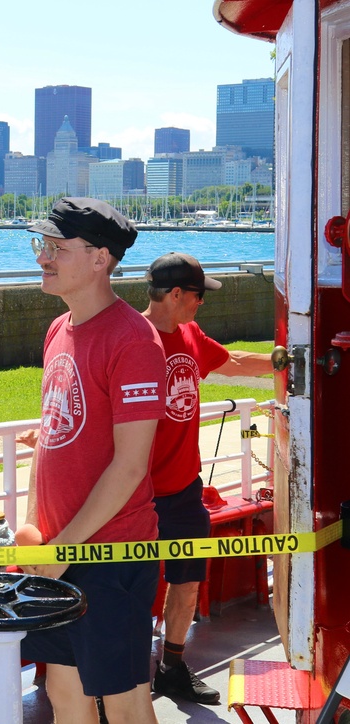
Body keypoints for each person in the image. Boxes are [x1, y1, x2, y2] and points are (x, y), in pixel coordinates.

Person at [19, 197, 165, 724]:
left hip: (109, 556)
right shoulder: (59, 331)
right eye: (43, 246)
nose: (43, 258)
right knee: (64, 693)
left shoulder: (134, 341)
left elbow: (129, 467)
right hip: (58, 550)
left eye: (57, 247)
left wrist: (65, 546)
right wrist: (34, 528)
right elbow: (50, 441)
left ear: (101, 258)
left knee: (125, 706)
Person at [142, 252, 274, 705]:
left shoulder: (191, 335)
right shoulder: (133, 339)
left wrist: (284, 361)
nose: (202, 303)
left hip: (184, 491)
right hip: (134, 498)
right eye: (198, 295)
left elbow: (232, 361)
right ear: (176, 294)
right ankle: (121, 685)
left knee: (187, 583)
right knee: (132, 593)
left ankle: (172, 668)